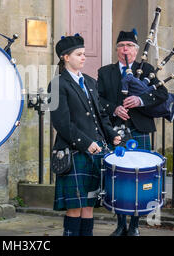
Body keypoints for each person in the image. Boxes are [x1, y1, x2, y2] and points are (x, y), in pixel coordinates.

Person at [97, 29, 168, 236]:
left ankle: (135, 225)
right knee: (118, 176)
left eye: (129, 46)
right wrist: (113, 108)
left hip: (139, 128)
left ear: (136, 51)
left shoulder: (146, 69)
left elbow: (162, 94)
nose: (125, 49)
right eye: (121, 46)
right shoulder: (105, 72)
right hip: (116, 130)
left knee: (141, 176)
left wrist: (140, 100)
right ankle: (120, 224)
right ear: (117, 50)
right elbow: (98, 99)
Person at [49, 34, 121, 236]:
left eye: (83, 54)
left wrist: (111, 134)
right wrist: (86, 143)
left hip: (96, 149)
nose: (84, 58)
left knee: (89, 204)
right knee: (75, 205)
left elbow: (101, 115)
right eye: (79, 54)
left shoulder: (90, 82)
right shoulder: (57, 84)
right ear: (65, 57)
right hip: (74, 152)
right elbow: (61, 123)